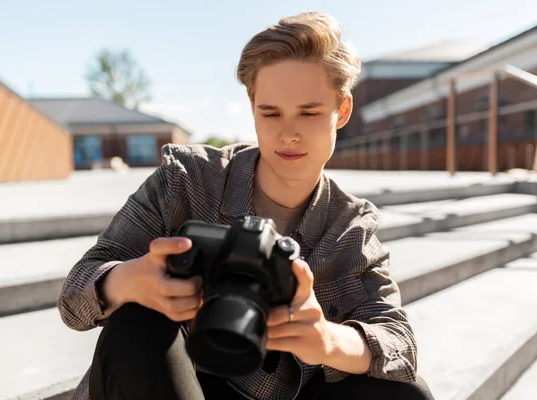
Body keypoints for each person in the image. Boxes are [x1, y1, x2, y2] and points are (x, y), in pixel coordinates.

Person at [57, 11, 434, 400]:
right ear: (252, 107)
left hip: (280, 392)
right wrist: (130, 280)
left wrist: (326, 340)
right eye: (270, 113)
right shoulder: (186, 180)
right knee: (137, 323)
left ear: (341, 112)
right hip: (174, 381)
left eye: (309, 112)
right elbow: (73, 299)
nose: (289, 133)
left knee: (405, 394)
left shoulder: (350, 227)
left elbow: (400, 348)